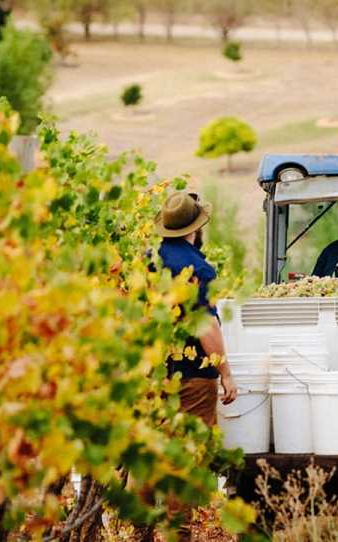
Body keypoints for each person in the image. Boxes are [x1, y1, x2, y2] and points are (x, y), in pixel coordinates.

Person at [144, 191, 237, 541]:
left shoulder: (148, 261)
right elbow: (206, 326)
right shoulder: (198, 268)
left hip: (153, 375)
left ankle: (139, 529)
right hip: (193, 377)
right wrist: (226, 372)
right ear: (196, 228)